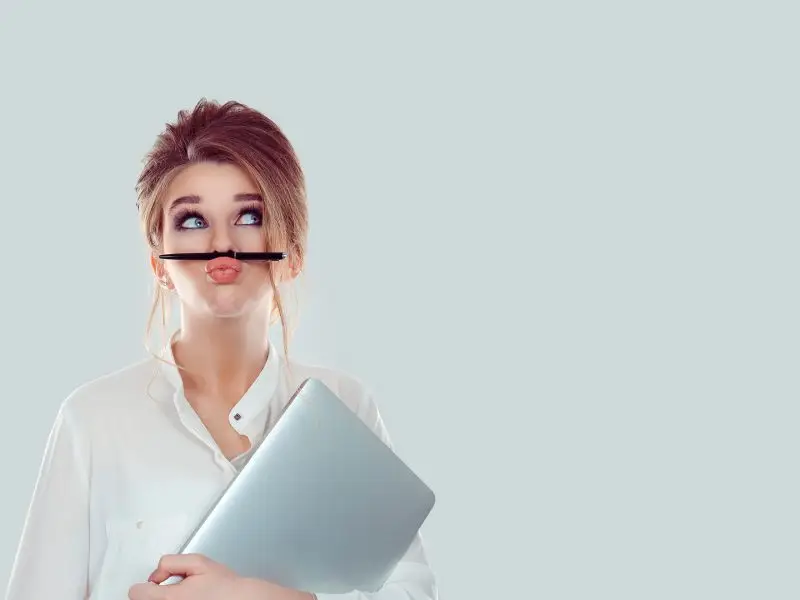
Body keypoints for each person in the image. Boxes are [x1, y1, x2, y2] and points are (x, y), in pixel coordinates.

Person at [4, 99, 437, 600]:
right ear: (158, 263)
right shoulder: (92, 420)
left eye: (249, 215)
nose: (222, 243)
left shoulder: (344, 404)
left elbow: (412, 591)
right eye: (192, 221)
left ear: (292, 253)